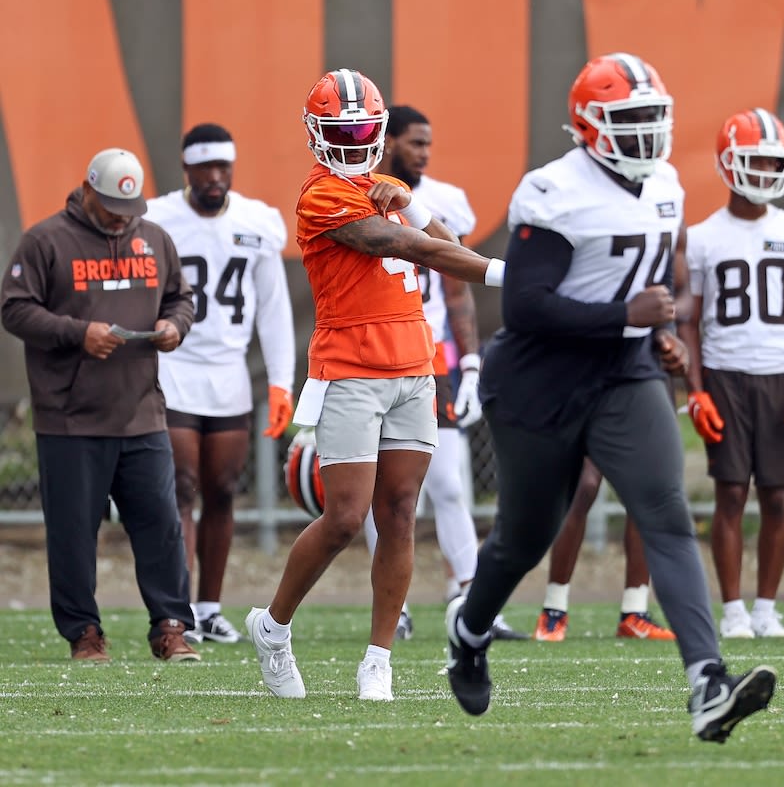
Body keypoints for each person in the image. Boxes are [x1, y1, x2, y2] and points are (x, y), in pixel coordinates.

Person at [444, 52, 775, 743]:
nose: (647, 134)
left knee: (666, 514)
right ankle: (469, 631)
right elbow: (528, 306)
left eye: (654, 119)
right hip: (540, 379)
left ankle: (707, 682)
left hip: (624, 374)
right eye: (631, 121)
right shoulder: (551, 190)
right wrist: (627, 316)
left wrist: (656, 336)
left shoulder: (667, 185)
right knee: (523, 539)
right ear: (590, 127)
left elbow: (651, 288)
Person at [245, 68, 505, 702]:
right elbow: (418, 250)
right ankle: (274, 628)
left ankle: (378, 658)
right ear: (316, 135)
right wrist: (507, 274)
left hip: (414, 366)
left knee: (399, 513)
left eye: (363, 130)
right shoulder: (320, 197)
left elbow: (440, 236)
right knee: (343, 517)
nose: (354, 141)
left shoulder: (384, 183)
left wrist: (415, 205)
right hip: (351, 367)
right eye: (342, 131)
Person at [1, 148, 199, 662]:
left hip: (141, 411)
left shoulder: (154, 238)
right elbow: (15, 309)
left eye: (128, 209)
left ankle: (171, 627)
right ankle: (84, 634)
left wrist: (174, 326)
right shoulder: (45, 240)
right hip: (70, 417)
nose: (119, 217)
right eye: (111, 205)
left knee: (161, 524)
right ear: (87, 189)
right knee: (72, 533)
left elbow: (181, 297)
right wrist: (77, 334)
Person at [366, 104, 526, 642]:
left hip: (433, 360)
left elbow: (455, 286)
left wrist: (473, 360)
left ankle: (470, 597)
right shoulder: (356, 190)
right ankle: (395, 602)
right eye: (415, 143)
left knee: (451, 486)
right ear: (386, 142)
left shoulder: (445, 199)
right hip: (373, 351)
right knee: (378, 491)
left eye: (428, 144)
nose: (424, 153)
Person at [680, 108, 784, 640]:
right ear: (727, 163)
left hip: (782, 375)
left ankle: (766, 607)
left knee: (777, 496)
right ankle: (735, 611)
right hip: (724, 374)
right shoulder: (700, 237)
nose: (764, 171)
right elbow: (689, 322)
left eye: (772, 161)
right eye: (754, 159)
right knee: (730, 495)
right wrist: (695, 391)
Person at [147, 125, 295, 645]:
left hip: (230, 372)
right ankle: (180, 607)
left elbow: (274, 310)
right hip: (175, 368)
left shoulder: (257, 221)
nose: (214, 178)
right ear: (185, 169)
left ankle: (210, 607)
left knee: (223, 491)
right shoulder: (156, 216)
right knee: (180, 488)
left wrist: (281, 382)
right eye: (204, 168)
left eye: (223, 168)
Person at [534, 458, 676, 641]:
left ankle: (634, 613)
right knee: (584, 486)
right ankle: (554, 610)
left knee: (643, 490)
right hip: (584, 428)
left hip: (630, 428)